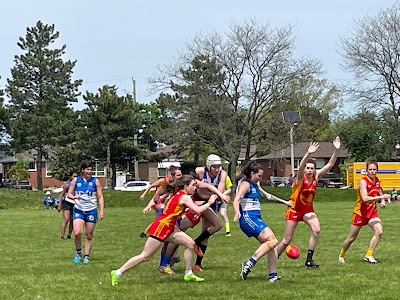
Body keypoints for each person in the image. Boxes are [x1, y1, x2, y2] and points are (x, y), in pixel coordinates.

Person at [110, 175, 218, 286]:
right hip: (162, 227)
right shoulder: (184, 197)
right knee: (145, 256)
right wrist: (209, 202)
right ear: (186, 186)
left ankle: (188, 273)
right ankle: (117, 272)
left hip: (169, 227)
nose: (195, 188)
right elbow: (197, 210)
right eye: (193, 185)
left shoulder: (180, 195)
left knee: (190, 243)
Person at [275, 137, 341, 268]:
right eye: (308, 168)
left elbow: (330, 165)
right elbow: (300, 167)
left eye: (312, 168)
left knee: (316, 230)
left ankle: (309, 260)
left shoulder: (316, 177)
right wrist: (308, 153)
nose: (310, 170)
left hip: (307, 210)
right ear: (305, 169)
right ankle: (274, 257)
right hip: (294, 209)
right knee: (286, 240)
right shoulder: (300, 178)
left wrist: (336, 150)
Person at [234, 161, 291, 282]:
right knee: (273, 241)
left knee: (272, 245)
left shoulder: (255, 184)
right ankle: (249, 264)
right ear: (252, 173)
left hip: (256, 218)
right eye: (259, 175)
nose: (261, 178)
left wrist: (285, 202)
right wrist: (236, 212)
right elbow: (237, 198)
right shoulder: (245, 184)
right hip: (248, 218)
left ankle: (273, 276)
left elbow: (268, 196)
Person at [338, 158, 391, 264]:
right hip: (360, 213)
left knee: (379, 231)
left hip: (372, 213)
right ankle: (341, 255)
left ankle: (368, 255)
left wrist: (383, 200)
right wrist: (380, 198)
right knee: (352, 238)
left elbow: (379, 191)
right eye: (370, 169)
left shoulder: (378, 180)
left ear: (377, 170)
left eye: (374, 169)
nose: (372, 172)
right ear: (366, 170)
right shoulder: (363, 182)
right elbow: (365, 198)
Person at [192, 154, 227, 271]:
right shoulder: (199, 171)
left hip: (209, 203)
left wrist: (205, 195)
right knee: (217, 225)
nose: (217, 170)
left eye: (218, 167)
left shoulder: (222, 173)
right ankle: (194, 243)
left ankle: (197, 263)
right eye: (214, 167)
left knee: (205, 234)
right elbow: (194, 189)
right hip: (197, 203)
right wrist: (207, 195)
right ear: (208, 166)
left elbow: (219, 193)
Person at [68, 161, 104, 264]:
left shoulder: (95, 181)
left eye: (91, 169)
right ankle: (78, 252)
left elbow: (100, 197)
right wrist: (74, 197)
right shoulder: (76, 181)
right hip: (78, 209)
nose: (89, 171)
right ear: (82, 170)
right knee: (77, 232)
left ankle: (86, 256)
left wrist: (101, 210)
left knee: (89, 235)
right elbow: (69, 194)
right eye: (87, 169)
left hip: (91, 210)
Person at [139, 166, 182, 238]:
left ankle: (146, 232)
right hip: (159, 202)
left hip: (163, 203)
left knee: (157, 221)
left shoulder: (176, 184)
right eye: (178, 175)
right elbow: (153, 189)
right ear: (171, 175)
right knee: (160, 221)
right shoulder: (164, 181)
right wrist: (145, 198)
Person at [57, 172, 78, 240]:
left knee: (72, 220)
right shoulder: (67, 185)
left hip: (74, 203)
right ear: (71, 177)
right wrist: (59, 205)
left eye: (76, 176)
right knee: (66, 219)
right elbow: (61, 194)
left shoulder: (78, 185)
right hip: (67, 203)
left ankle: (69, 234)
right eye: (74, 176)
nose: (75, 178)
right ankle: (62, 236)